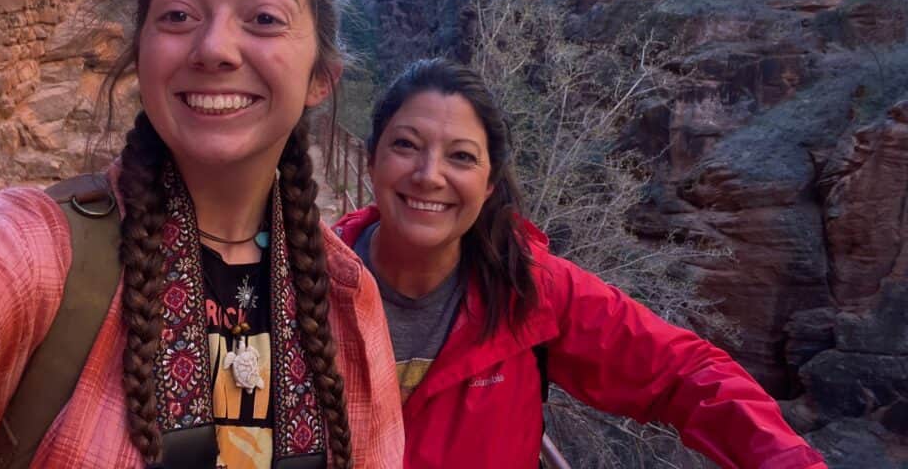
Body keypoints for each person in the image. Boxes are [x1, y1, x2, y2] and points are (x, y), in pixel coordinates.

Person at [0, 0, 404, 468]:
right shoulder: (34, 256)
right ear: (141, 54)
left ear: (321, 79)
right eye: (179, 15)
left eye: (264, 19)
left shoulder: (348, 300)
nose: (214, 49)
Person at [334, 58, 828, 469]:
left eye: (461, 157)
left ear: (488, 186)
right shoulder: (300, 282)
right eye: (405, 145)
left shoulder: (529, 291)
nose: (429, 175)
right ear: (371, 158)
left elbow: (684, 373)